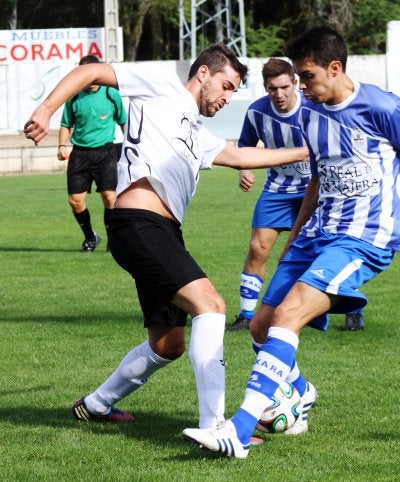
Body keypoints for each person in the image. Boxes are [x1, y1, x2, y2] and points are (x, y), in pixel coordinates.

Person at [182, 26, 400, 459]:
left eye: (308, 76)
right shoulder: (309, 114)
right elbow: (317, 177)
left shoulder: (384, 108)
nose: (302, 86)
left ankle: (237, 431)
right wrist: (296, 236)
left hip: (364, 238)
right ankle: (301, 392)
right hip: (314, 234)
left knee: (287, 318)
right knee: (260, 327)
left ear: (335, 68)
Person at [23, 44, 308, 434]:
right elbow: (89, 73)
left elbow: (240, 156)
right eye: (225, 86)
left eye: (233, 92)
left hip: (162, 232)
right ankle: (215, 427)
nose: (227, 98)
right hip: (137, 224)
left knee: (168, 343)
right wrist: (45, 109)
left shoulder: (198, 132)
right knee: (212, 307)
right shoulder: (161, 88)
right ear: (204, 73)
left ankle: (96, 404)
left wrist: (308, 151)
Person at [228, 58, 364, 332]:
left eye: (284, 87)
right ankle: (246, 315)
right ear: (265, 88)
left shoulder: (315, 108)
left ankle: (354, 310)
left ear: (295, 83)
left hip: (317, 191)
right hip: (277, 190)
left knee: (332, 250)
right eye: (271, 89)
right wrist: (243, 170)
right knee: (258, 248)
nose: (279, 94)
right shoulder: (257, 112)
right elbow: (244, 147)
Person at [58, 55, 127, 252]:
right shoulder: (74, 97)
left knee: (109, 196)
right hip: (80, 154)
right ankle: (90, 237)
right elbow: (65, 124)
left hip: (106, 151)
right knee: (75, 200)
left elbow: (124, 122)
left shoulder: (110, 94)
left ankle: (113, 239)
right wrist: (61, 145)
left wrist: (132, 146)